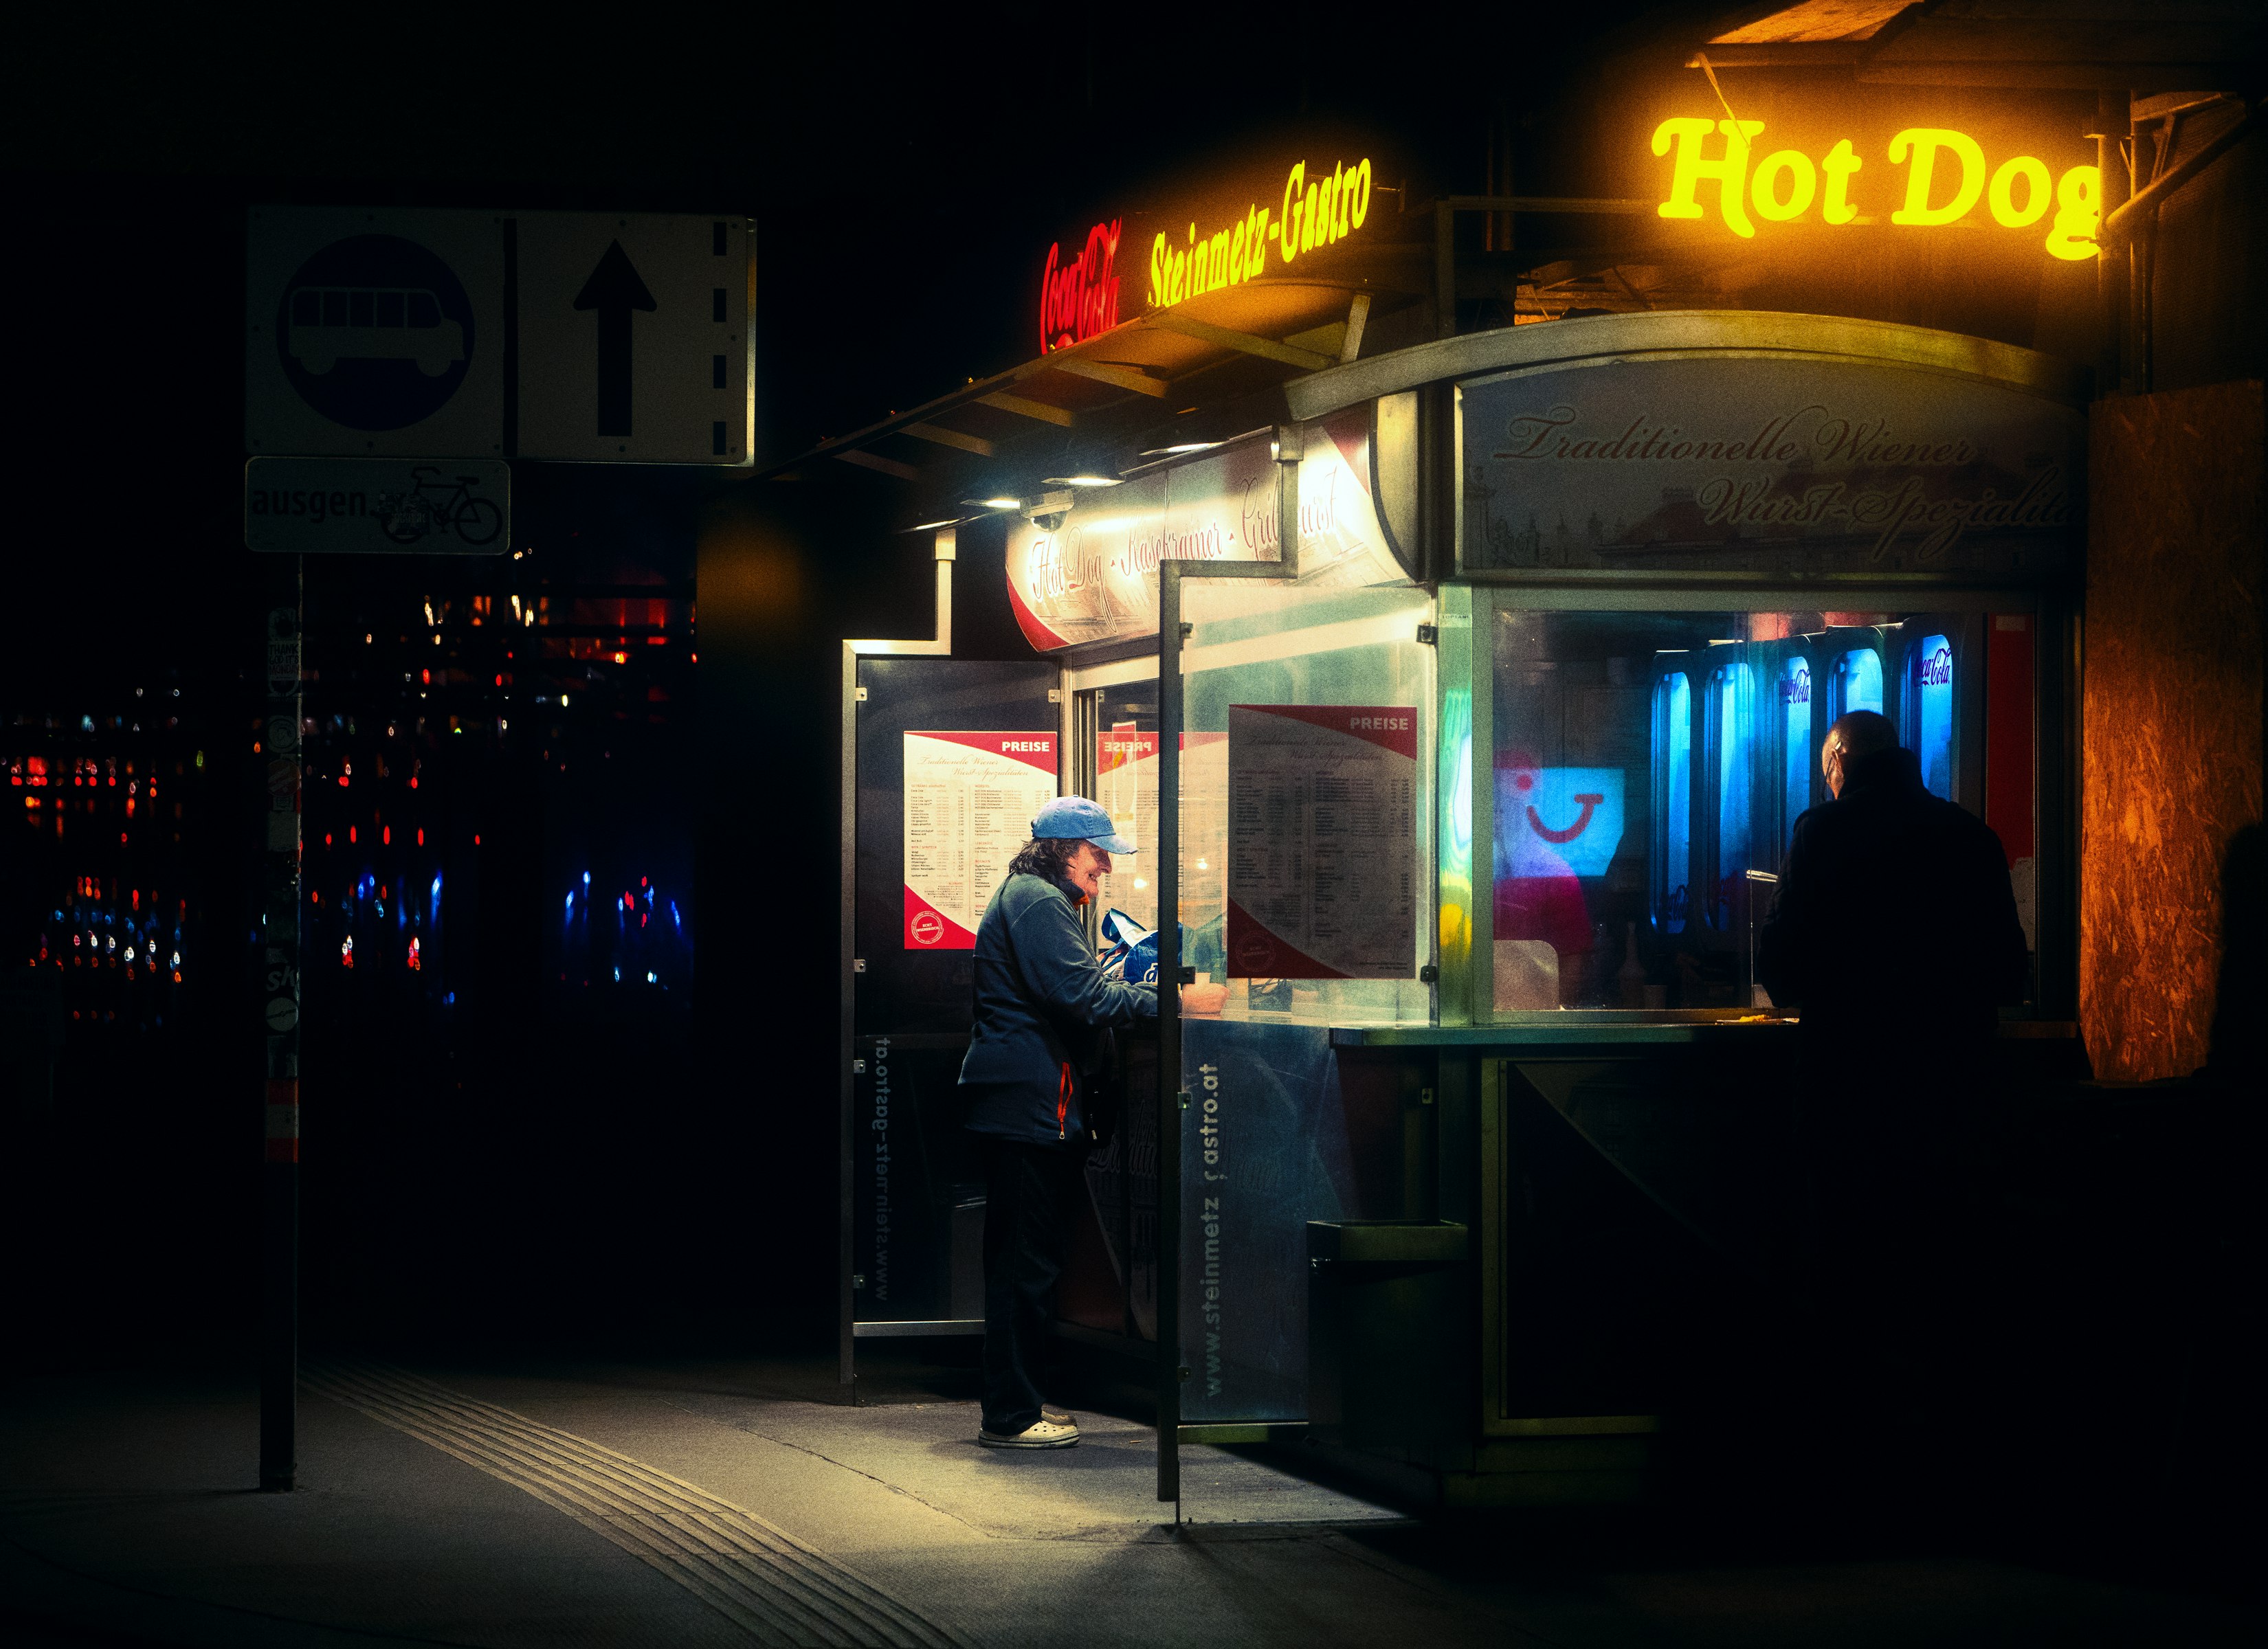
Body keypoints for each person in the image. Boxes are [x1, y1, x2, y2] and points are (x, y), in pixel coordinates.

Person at [1756, 710, 2027, 1491]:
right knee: (1943, 1278)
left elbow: (1786, 962)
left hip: (1849, 1091)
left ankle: (1853, 1462)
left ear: (1838, 762)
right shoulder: (1969, 836)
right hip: (1953, 1097)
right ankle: (1946, 1463)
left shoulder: (1823, 834)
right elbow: (2007, 969)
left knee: (1847, 1278)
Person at [960, 796, 1227, 1449]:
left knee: (1025, 1261)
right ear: (1063, 851)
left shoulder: (1034, 897)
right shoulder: (1038, 900)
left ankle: (1016, 1402)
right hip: (1030, 1107)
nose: (1105, 866)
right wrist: (1176, 1002)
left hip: (1022, 1103)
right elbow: (1082, 996)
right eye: (1097, 852)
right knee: (1026, 1265)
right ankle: (1012, 1415)